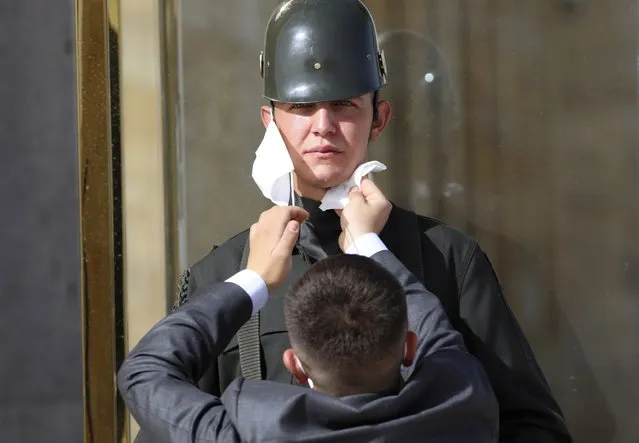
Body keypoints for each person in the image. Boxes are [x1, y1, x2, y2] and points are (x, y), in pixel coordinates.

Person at [149, 0, 571, 442]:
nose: (323, 125)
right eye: (301, 106)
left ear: (379, 118)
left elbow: (535, 430)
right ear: (269, 121)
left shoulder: (447, 260)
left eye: (345, 104)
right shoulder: (223, 275)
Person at [118, 181, 499, 442]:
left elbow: (144, 371)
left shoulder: (243, 433)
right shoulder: (460, 404)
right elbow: (432, 322)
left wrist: (255, 278)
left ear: (294, 365)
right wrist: (368, 243)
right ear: (409, 347)